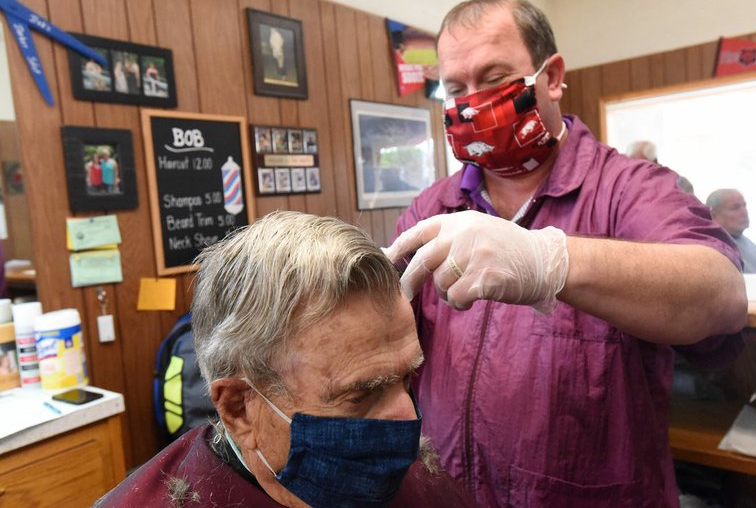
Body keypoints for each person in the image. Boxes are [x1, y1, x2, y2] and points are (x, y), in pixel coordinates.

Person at [385, 0, 747, 507]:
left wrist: (550, 261)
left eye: (493, 78)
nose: (472, 101)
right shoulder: (431, 208)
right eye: (455, 88)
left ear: (551, 78)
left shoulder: (630, 189)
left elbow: (723, 296)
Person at [96, 211, 477, 507]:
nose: (409, 424)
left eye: (406, 379)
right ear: (238, 409)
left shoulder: (419, 483)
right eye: (361, 395)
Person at [627, 140, 694, 194]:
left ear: (654, 161)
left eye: (639, 165)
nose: (633, 169)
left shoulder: (679, 183)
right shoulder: (626, 187)